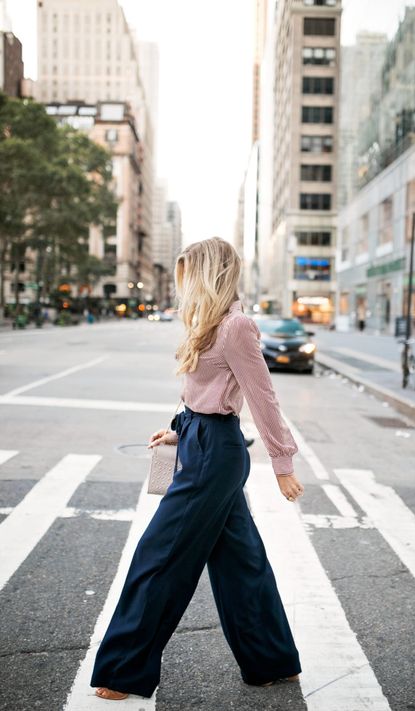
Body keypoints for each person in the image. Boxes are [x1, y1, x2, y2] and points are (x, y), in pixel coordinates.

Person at [91, 237, 304, 701]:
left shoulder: (237, 326)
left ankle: (123, 670)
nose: (183, 282)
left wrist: (282, 462)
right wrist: (177, 431)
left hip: (217, 454)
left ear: (210, 273)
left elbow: (261, 395)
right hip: (200, 441)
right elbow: (199, 392)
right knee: (240, 561)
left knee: (159, 555)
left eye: (189, 272)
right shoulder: (206, 323)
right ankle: (271, 662)